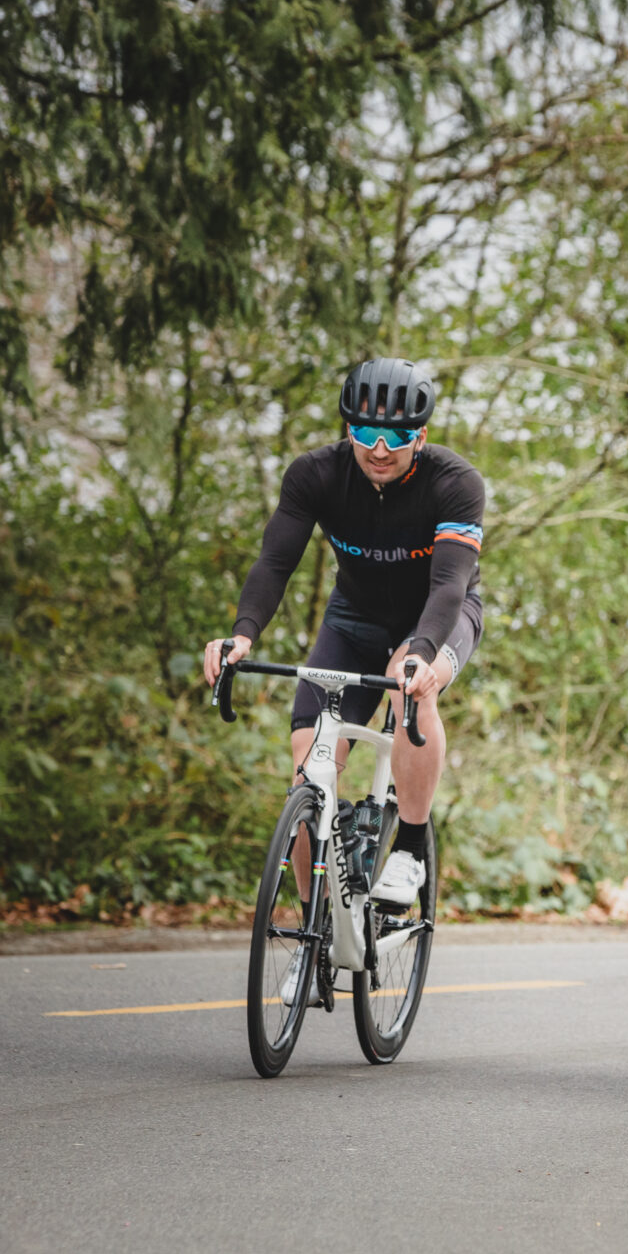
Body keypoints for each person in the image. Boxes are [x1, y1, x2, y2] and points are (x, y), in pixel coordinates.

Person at [201, 358, 483, 911]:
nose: (379, 448)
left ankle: (409, 849)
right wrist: (243, 635)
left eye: (397, 435)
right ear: (347, 427)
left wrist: (421, 654)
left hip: (436, 616)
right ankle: (314, 930)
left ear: (420, 436)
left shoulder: (455, 483)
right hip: (353, 619)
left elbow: (449, 583)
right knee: (309, 764)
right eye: (364, 432)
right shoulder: (316, 474)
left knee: (410, 688)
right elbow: (275, 562)